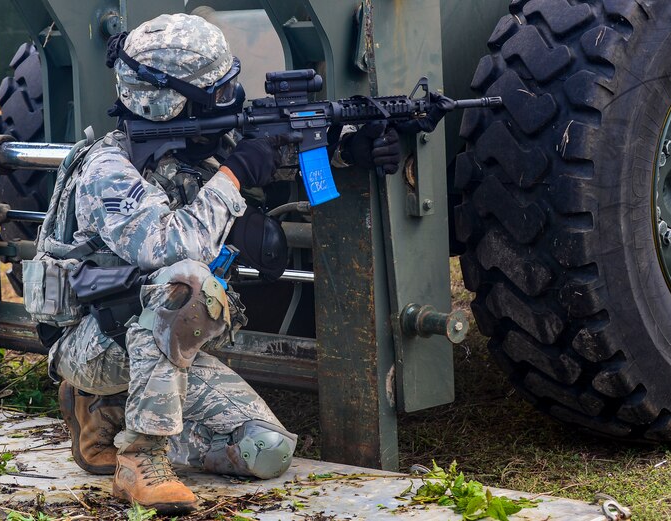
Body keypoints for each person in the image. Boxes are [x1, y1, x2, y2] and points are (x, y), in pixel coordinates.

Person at [31, 12, 420, 515]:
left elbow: (282, 154)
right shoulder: (108, 170)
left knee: (267, 452)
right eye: (218, 92)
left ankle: (108, 416)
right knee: (186, 283)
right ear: (173, 101)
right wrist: (235, 175)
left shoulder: (196, 145)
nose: (231, 98)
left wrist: (351, 149)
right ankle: (140, 458)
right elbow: (172, 247)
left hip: (154, 347)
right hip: (90, 342)